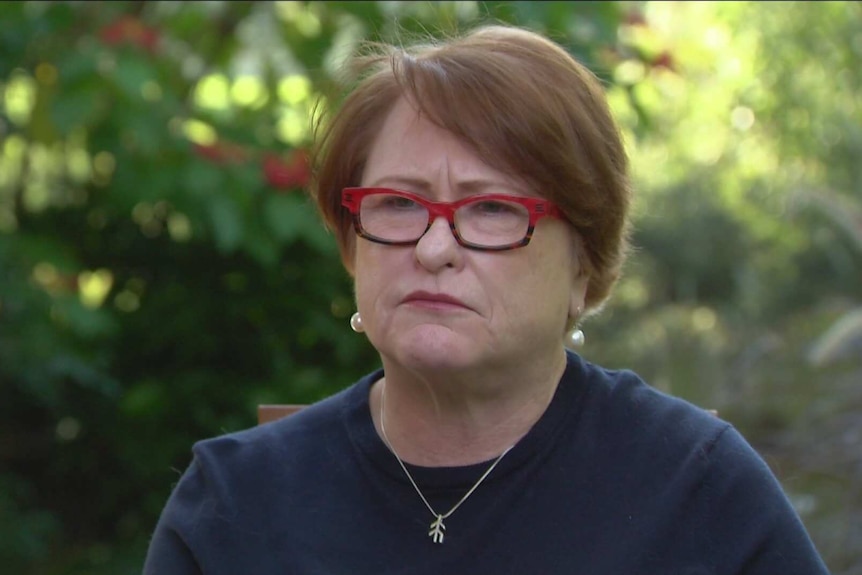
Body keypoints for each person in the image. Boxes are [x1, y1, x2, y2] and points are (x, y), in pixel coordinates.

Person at [143, 23, 830, 574]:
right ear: (352, 244)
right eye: (397, 204)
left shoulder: (698, 489)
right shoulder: (234, 504)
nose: (434, 247)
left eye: (494, 209)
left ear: (584, 269)